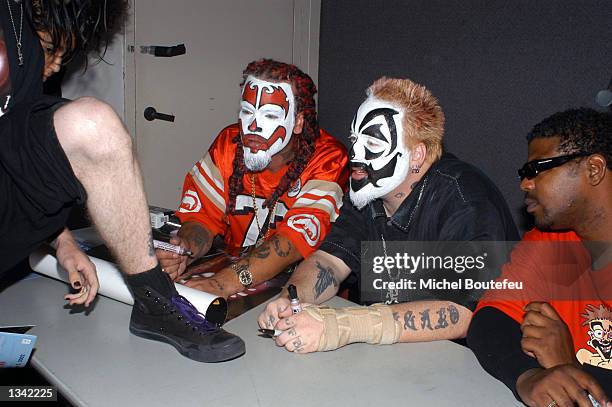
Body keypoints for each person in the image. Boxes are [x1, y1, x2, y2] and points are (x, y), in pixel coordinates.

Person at [0, 0, 244, 362]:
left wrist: (64, 242)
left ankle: (155, 302)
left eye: (58, 55)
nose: (52, 69)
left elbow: (25, 164)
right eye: (51, 51)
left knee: (93, 125)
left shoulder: (27, 32)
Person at [257, 76, 518, 353]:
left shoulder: (465, 200)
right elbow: (329, 262)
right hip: (391, 356)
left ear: (416, 155)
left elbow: (460, 313)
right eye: (355, 139)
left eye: (372, 143)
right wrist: (290, 299)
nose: (355, 153)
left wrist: (343, 326)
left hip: (463, 363)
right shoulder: (370, 191)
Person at [157, 59, 348, 298]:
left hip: (304, 292)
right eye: (247, 112)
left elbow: (291, 243)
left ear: (298, 122)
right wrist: (185, 249)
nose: (253, 126)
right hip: (236, 281)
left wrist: (223, 283)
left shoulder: (328, 158)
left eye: (269, 115)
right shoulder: (230, 143)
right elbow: (203, 218)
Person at [467, 108, 612, 406]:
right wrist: (528, 376)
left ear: (594, 170)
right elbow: (489, 320)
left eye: (537, 170)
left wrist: (572, 368)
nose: (525, 184)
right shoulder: (553, 240)